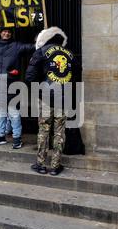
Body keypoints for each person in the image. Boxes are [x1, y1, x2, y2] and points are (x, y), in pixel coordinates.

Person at [25, 26, 78, 176]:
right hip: (64, 97)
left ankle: (41, 164)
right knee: (59, 132)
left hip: (46, 98)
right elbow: (77, 75)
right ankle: (55, 166)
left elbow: (29, 77)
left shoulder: (41, 51)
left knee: (44, 130)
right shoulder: (70, 54)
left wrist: (40, 92)